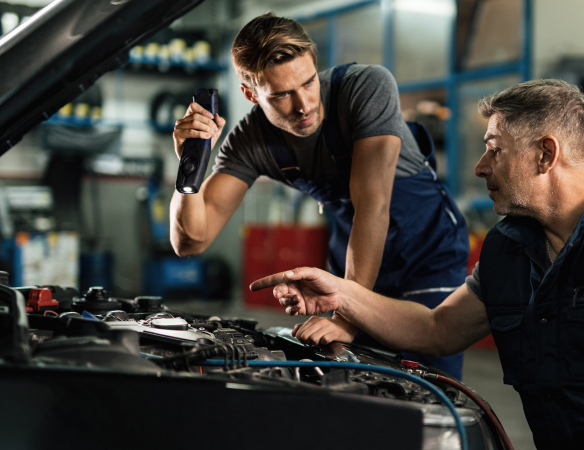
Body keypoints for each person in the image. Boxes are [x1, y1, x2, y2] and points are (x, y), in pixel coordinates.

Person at [250, 79, 584, 449]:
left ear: (546, 153)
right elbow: (439, 328)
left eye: (493, 149)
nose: (481, 167)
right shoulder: (508, 248)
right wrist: (343, 294)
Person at [169, 13, 469, 379]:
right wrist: (190, 164)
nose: (303, 105)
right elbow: (191, 241)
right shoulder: (250, 141)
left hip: (426, 255)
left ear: (315, 65)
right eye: (280, 95)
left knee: (429, 384)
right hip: (353, 264)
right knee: (358, 383)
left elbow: (372, 206)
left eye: (308, 82)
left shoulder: (365, 88)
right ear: (250, 94)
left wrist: (346, 314)